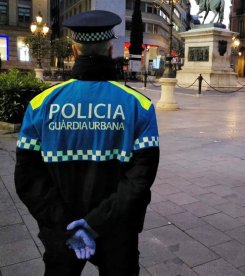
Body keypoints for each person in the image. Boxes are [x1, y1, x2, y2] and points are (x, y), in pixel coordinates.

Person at [14, 10, 159, 275]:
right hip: (118, 231)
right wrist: (94, 223)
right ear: (110, 49)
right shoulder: (139, 106)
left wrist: (67, 224)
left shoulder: (40, 105)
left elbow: (27, 178)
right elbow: (139, 180)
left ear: (74, 49)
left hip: (62, 232)